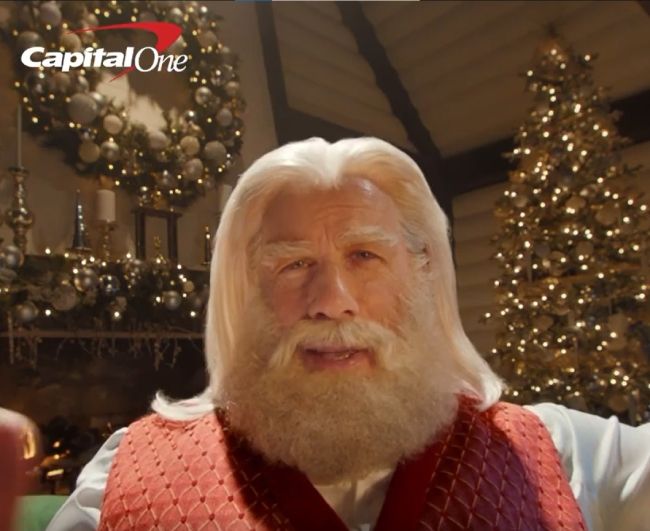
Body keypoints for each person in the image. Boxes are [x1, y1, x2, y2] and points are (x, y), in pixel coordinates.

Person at [48, 137, 650, 531]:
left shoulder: (563, 454)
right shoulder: (123, 473)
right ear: (246, 291)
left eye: (365, 255)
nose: (332, 302)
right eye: (293, 264)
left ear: (423, 272)